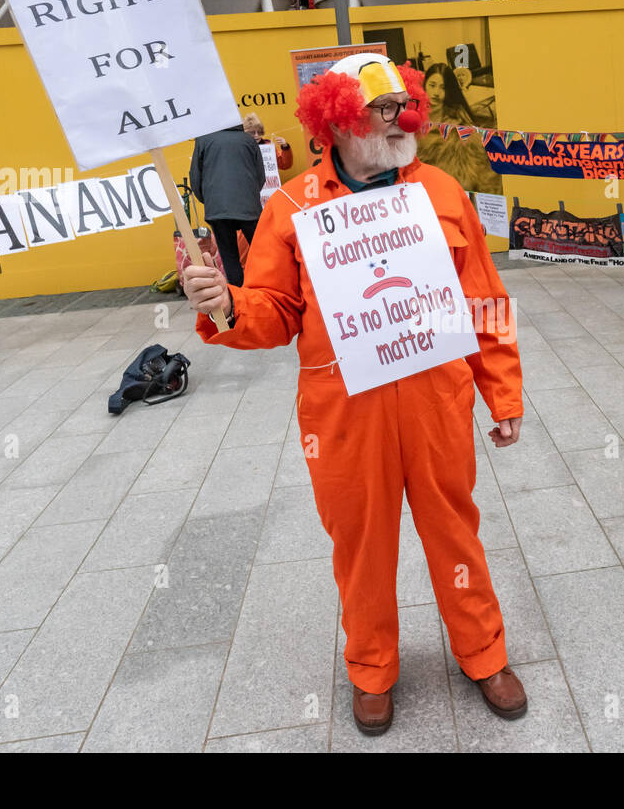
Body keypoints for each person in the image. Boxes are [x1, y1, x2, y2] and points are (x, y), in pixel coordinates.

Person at [182, 53, 527, 736]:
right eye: (385, 108)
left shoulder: (443, 192)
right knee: (361, 546)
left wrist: (504, 393)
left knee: (455, 529)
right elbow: (275, 312)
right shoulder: (288, 209)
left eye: (406, 104)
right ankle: (371, 667)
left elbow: (485, 298)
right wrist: (225, 304)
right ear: (337, 119)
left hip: (436, 401)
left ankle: (484, 652)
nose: (404, 119)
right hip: (341, 415)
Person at [188, 113, 266, 287]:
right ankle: (265, 290)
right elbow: (261, 176)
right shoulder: (248, 141)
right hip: (249, 207)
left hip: (218, 209)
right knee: (262, 252)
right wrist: (251, 195)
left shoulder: (203, 140)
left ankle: (239, 298)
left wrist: (208, 200)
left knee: (230, 258)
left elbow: (195, 177)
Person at [415, 61, 503, 196]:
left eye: (443, 88)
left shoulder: (459, 127)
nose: (436, 93)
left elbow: (478, 172)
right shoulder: (414, 120)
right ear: (425, 85)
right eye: (432, 85)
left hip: (450, 193)